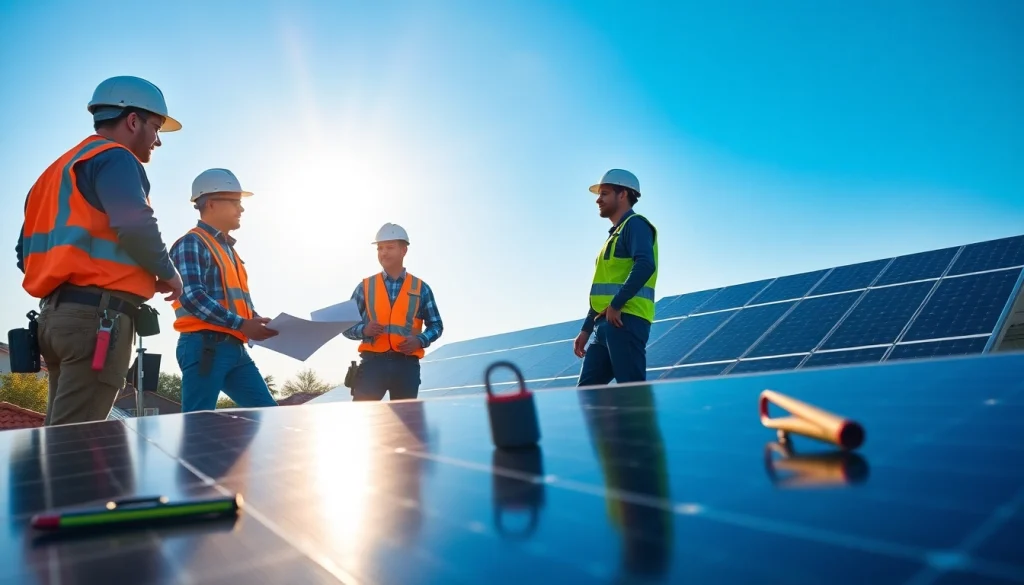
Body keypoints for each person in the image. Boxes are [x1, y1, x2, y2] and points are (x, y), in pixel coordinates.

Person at [16, 75, 184, 426]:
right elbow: (134, 224)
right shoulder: (116, 157)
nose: (157, 140)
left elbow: (25, 254)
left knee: (60, 433)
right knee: (75, 441)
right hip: (98, 322)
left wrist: (109, 273)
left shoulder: (53, 174)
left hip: (54, 321)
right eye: (156, 128)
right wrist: (169, 273)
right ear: (133, 121)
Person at [170, 168, 279, 412]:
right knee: (198, 422)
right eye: (235, 202)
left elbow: (234, 300)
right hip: (204, 345)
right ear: (211, 204)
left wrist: (254, 320)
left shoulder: (229, 251)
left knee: (269, 415)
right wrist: (242, 324)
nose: (241, 209)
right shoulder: (192, 242)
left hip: (234, 347)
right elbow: (192, 296)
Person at [574, 169, 658, 386]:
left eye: (604, 193)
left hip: (625, 320)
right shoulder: (614, 235)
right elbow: (602, 289)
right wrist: (586, 329)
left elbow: (646, 265)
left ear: (623, 194)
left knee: (631, 391)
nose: (598, 200)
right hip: (603, 325)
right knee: (587, 392)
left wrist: (617, 304)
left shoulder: (636, 225)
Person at [342, 223, 444, 401]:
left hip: (406, 366)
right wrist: (364, 330)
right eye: (380, 248)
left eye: (389, 247)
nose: (383, 252)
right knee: (364, 416)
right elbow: (345, 326)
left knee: (405, 418)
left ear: (404, 250)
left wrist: (420, 340)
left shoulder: (421, 288)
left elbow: (436, 325)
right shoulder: (365, 287)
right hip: (372, 365)